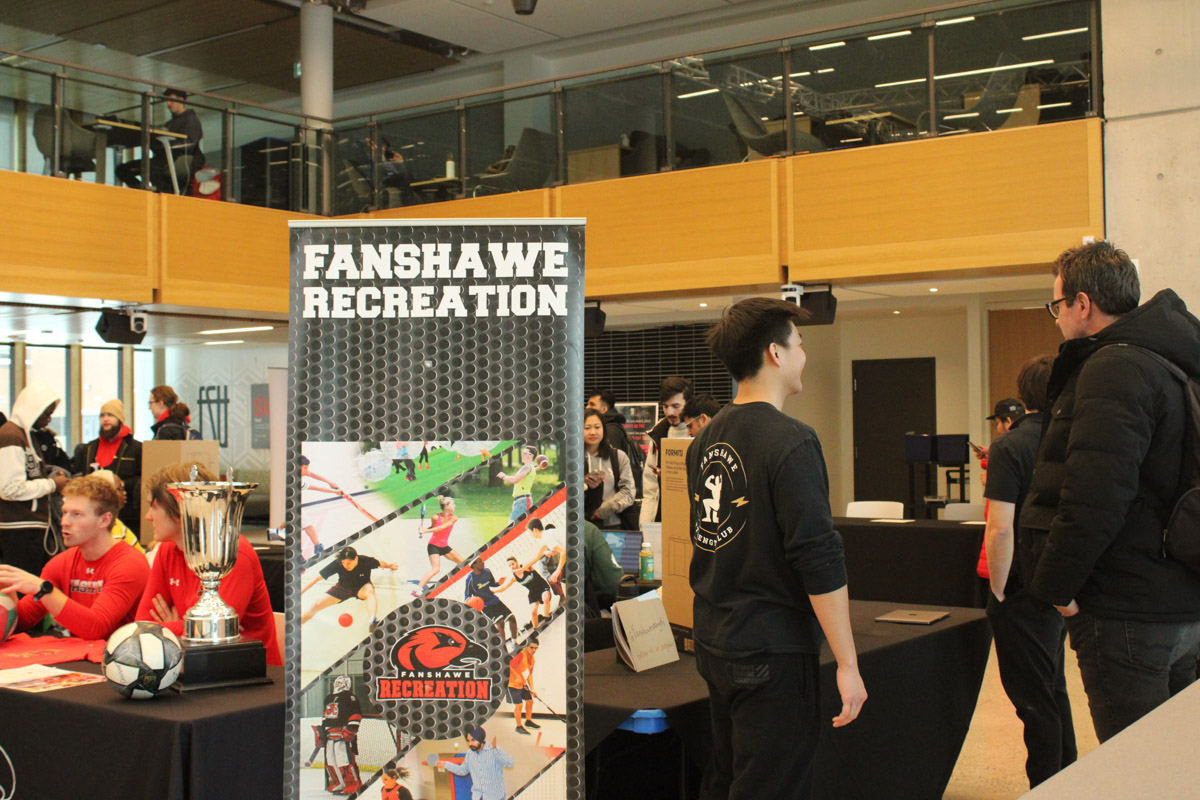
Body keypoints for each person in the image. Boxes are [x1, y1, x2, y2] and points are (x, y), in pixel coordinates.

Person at [688, 297, 865, 799]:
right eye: (799, 343)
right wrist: (848, 663)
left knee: (728, 778)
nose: (804, 354)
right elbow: (818, 557)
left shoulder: (704, 441)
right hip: (771, 651)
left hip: (716, 640)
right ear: (775, 352)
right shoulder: (791, 440)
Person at [1023, 240, 1200, 742]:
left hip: (1126, 609)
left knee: (1135, 767)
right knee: (1177, 763)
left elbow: (1095, 495)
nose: (1057, 317)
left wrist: (1055, 589)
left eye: (1057, 304)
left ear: (1082, 304)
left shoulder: (1113, 367)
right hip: (1180, 599)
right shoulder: (1173, 361)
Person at [983, 354, 1076, 788]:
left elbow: (1000, 528)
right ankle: (1069, 779)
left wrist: (999, 589)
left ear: (1022, 396)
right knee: (1053, 687)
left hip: (1022, 585)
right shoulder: (1071, 437)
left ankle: (1047, 786)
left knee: (1034, 700)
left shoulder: (1010, 446)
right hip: (1059, 578)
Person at [137, 462, 281, 665]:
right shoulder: (166, 550)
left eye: (153, 507)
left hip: (247, 670)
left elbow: (213, 634)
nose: (148, 516)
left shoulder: (233, 552)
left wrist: (169, 628)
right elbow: (141, 627)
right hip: (188, 664)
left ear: (179, 509)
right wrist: (183, 628)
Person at [0, 475, 148, 640]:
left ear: (104, 520)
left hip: (123, 654)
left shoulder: (129, 563)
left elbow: (97, 628)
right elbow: (23, 621)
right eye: (64, 512)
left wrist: (43, 590)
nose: (65, 522)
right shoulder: (62, 562)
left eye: (77, 514)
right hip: (84, 652)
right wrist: (8, 593)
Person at [0, 382, 70, 575]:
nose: (49, 420)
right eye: (46, 414)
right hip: (18, 529)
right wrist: (52, 484)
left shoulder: (25, 436)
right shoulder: (11, 436)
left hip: (29, 526)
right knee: (23, 588)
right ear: (32, 410)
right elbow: (9, 488)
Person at [70, 399, 142, 533]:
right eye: (102, 415)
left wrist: (121, 485)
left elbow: (142, 480)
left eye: (110, 415)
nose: (105, 419)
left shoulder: (136, 448)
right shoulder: (89, 448)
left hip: (127, 516)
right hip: (94, 515)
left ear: (120, 419)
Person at [115, 88, 204, 192]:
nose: (168, 104)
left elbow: (190, 143)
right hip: (166, 159)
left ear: (181, 100)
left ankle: (151, 193)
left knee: (128, 170)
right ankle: (148, 192)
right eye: (167, 101)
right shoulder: (171, 123)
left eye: (171, 100)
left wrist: (165, 145)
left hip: (175, 159)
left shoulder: (190, 119)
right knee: (123, 170)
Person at [301, 545, 398, 632]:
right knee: (316, 605)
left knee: (370, 590)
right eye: (343, 563)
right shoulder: (337, 563)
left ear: (356, 558)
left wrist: (389, 566)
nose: (346, 566)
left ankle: (373, 620)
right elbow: (316, 578)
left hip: (361, 588)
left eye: (348, 562)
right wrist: (300, 592)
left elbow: (380, 563)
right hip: (343, 588)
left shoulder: (365, 561)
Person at [301, 455, 378, 558]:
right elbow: (316, 488)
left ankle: (317, 546)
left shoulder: (301, 472)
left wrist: (330, 482)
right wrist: (334, 492)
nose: (307, 471)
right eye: (305, 468)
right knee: (303, 525)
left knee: (307, 524)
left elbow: (311, 474)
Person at [641, 376, 692, 529]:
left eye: (676, 406)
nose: (670, 412)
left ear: (688, 403)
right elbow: (650, 489)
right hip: (662, 518)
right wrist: (645, 524)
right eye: (665, 406)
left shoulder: (701, 432)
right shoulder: (658, 433)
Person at [583, 408, 636, 529]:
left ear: (604, 429)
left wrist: (607, 508)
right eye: (587, 428)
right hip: (583, 525)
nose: (593, 432)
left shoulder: (618, 457)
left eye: (597, 427)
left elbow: (629, 491)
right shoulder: (571, 459)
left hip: (615, 524)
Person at [585, 389, 644, 494]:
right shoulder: (615, 427)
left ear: (603, 409)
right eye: (587, 428)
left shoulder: (611, 431)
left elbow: (612, 472)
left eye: (592, 404)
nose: (587, 407)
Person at [432, 726, 513, 800]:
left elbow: (510, 763)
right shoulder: (470, 753)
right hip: (477, 797)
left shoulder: (494, 749)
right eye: (468, 741)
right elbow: (463, 770)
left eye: (473, 740)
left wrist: (496, 751)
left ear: (480, 739)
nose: (470, 744)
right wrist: (446, 764)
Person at [321, 674, 364, 795]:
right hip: (329, 733)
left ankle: (353, 784)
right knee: (330, 759)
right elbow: (325, 715)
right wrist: (322, 730)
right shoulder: (328, 698)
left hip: (342, 732)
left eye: (342, 682)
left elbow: (356, 714)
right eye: (337, 682)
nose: (338, 684)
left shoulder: (350, 697)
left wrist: (351, 729)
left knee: (343, 759)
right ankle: (339, 782)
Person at [414, 495, 463, 597]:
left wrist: (425, 531)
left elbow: (441, 528)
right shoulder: (435, 517)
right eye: (453, 504)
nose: (455, 506)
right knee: (436, 569)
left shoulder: (454, 518)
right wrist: (422, 529)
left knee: (463, 563)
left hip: (444, 546)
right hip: (434, 546)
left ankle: (454, 580)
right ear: (446, 506)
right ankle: (417, 589)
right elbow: (434, 528)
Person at [464, 557, 518, 642]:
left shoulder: (487, 571)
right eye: (480, 561)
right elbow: (466, 596)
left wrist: (499, 583)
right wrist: (471, 602)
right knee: (500, 623)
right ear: (474, 565)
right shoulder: (470, 579)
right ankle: (503, 646)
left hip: (495, 601)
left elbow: (492, 584)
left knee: (512, 618)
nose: (483, 562)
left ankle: (514, 643)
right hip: (486, 606)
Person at [497, 446, 546, 524]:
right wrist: (539, 467)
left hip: (522, 502)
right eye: (523, 453)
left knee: (512, 526)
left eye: (524, 453)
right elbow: (530, 471)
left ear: (531, 456)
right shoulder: (530, 467)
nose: (522, 455)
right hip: (521, 501)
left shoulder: (527, 467)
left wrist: (503, 476)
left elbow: (514, 480)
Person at [506, 554, 552, 632]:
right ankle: (536, 629)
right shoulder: (514, 577)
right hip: (533, 592)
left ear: (517, 562)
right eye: (509, 566)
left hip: (542, 586)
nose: (512, 567)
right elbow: (503, 587)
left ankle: (547, 617)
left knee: (545, 598)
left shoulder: (526, 567)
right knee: (533, 611)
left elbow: (535, 558)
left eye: (513, 564)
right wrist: (492, 590)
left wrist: (543, 553)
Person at [528, 518, 565, 606]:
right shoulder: (548, 540)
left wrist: (558, 570)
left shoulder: (546, 537)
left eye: (529, 532)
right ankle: (563, 595)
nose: (530, 534)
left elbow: (564, 551)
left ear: (534, 530)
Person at [508, 636, 540, 734]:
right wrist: (517, 676)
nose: (534, 650)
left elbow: (529, 674)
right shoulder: (521, 655)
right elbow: (509, 665)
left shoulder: (532, 659)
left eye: (536, 648)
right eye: (531, 647)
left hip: (522, 685)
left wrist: (532, 689)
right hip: (513, 685)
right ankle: (518, 726)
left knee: (530, 701)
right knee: (519, 705)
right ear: (526, 646)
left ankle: (528, 721)